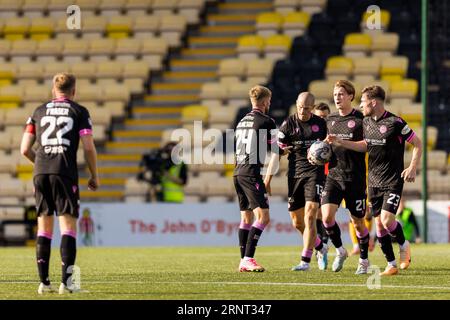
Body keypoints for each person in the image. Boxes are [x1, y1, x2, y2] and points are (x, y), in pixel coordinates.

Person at [326, 85, 422, 276]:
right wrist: (340, 142)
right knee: (378, 225)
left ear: (373, 102)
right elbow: (365, 145)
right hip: (373, 180)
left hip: (393, 179)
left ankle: (404, 245)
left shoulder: (395, 122)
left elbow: (417, 143)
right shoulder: (367, 122)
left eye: (362, 102)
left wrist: (412, 167)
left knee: (387, 220)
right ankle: (391, 264)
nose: (360, 105)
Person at [20, 73, 99, 294]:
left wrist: (42, 165)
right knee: (68, 228)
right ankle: (67, 283)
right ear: (73, 91)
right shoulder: (79, 111)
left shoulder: (38, 111)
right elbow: (89, 147)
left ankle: (44, 283)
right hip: (64, 172)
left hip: (41, 172)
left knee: (44, 228)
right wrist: (94, 175)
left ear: (53, 90)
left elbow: (24, 149)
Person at [265, 93, 328, 272]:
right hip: (295, 175)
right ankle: (320, 247)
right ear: (296, 104)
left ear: (312, 107)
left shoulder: (320, 124)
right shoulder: (288, 124)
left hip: (315, 173)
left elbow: (328, 148)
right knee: (297, 223)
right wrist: (267, 179)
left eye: (307, 108)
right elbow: (277, 152)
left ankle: (305, 261)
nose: (303, 111)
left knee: (310, 215)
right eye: (300, 107)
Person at [321, 80, 370, 274]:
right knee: (326, 218)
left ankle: (364, 261)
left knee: (358, 222)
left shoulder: (361, 119)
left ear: (351, 96)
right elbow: (326, 145)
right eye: (335, 95)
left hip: (355, 178)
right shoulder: (330, 120)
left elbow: (367, 145)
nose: (337, 98)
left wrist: (342, 142)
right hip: (334, 176)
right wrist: (319, 149)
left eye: (341, 94)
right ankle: (340, 250)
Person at [234, 85, 285, 272]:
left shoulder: (241, 121)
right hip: (251, 173)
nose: (269, 104)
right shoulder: (266, 121)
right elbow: (277, 148)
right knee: (263, 217)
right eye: (269, 101)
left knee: (246, 218)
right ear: (264, 102)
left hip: (238, 172)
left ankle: (243, 261)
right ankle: (248, 258)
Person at [312, 103, 331, 246]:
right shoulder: (312, 131)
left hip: (333, 175)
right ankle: (322, 240)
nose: (323, 119)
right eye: (320, 116)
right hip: (317, 174)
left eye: (325, 116)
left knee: (327, 212)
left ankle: (325, 238)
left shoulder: (333, 130)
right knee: (318, 210)